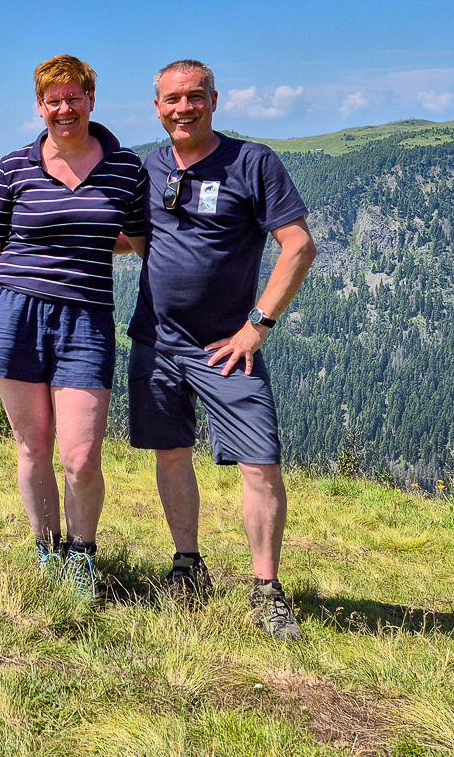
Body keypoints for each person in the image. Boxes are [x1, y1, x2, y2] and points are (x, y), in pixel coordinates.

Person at [126, 59, 316, 639]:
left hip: (227, 347)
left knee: (260, 463)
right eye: (171, 99)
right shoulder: (147, 167)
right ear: (156, 107)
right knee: (171, 452)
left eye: (194, 97)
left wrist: (256, 325)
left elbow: (299, 246)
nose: (183, 108)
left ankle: (266, 590)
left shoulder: (252, 162)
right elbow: (134, 240)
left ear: (214, 99)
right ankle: (187, 566)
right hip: (156, 340)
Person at [0, 55, 147, 597]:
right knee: (32, 443)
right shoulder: (12, 167)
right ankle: (47, 549)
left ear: (92, 100)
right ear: (40, 106)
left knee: (83, 454)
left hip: (86, 318)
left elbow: (141, 242)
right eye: (53, 100)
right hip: (12, 312)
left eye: (74, 98)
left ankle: (83, 556)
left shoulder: (125, 169)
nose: (64, 109)